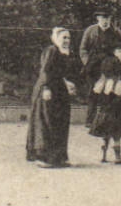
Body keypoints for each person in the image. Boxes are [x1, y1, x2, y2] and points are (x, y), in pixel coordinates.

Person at [25, 27, 80, 168]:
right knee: (47, 122)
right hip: (48, 91)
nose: (67, 40)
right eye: (64, 37)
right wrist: (45, 88)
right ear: (55, 38)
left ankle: (59, 157)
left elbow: (61, 73)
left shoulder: (66, 53)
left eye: (68, 38)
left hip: (60, 92)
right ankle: (44, 158)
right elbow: (45, 71)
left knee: (60, 123)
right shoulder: (51, 51)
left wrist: (67, 83)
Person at [88, 43, 121, 163]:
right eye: (120, 50)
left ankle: (105, 155)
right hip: (115, 109)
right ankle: (116, 156)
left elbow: (95, 96)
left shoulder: (102, 81)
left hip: (108, 109)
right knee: (115, 133)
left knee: (107, 133)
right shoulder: (118, 80)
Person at [78, 7, 121, 85]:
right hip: (93, 64)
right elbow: (83, 49)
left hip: (110, 64)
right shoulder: (90, 31)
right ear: (98, 18)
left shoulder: (116, 32)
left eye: (108, 18)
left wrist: (120, 58)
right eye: (103, 18)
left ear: (111, 18)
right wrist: (87, 62)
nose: (105, 21)